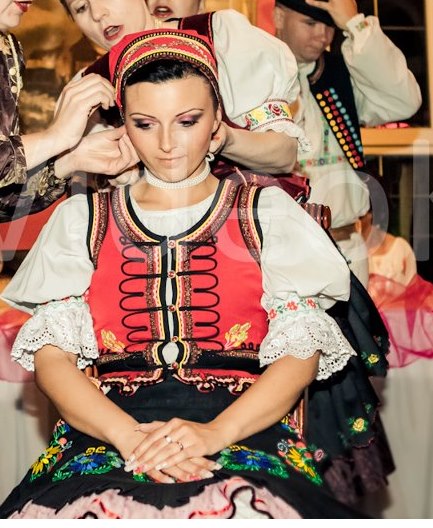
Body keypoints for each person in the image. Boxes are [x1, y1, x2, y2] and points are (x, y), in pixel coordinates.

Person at [0, 28, 366, 519]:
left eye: (188, 121)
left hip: (242, 426)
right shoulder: (81, 218)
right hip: (107, 431)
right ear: (124, 126)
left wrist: (214, 434)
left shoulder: (266, 212)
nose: (167, 143)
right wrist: (130, 438)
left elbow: (300, 353)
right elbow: (53, 362)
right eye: (145, 124)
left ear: (216, 123)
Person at [274, 0, 422, 287]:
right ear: (279, 17)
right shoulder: (258, 76)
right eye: (310, 23)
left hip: (347, 249)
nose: (322, 35)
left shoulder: (340, 76)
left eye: (329, 25)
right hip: (284, 255)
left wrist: (356, 25)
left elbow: (404, 101)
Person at [0, 0, 140, 222]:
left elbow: (5, 198)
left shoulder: (7, 48)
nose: (98, 13)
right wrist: (55, 137)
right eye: (81, 7)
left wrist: (72, 159)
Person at [360, 209, 433, 369]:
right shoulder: (347, 248)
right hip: (364, 326)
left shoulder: (399, 247)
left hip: (399, 328)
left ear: (370, 214)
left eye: (360, 215)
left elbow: (412, 289)